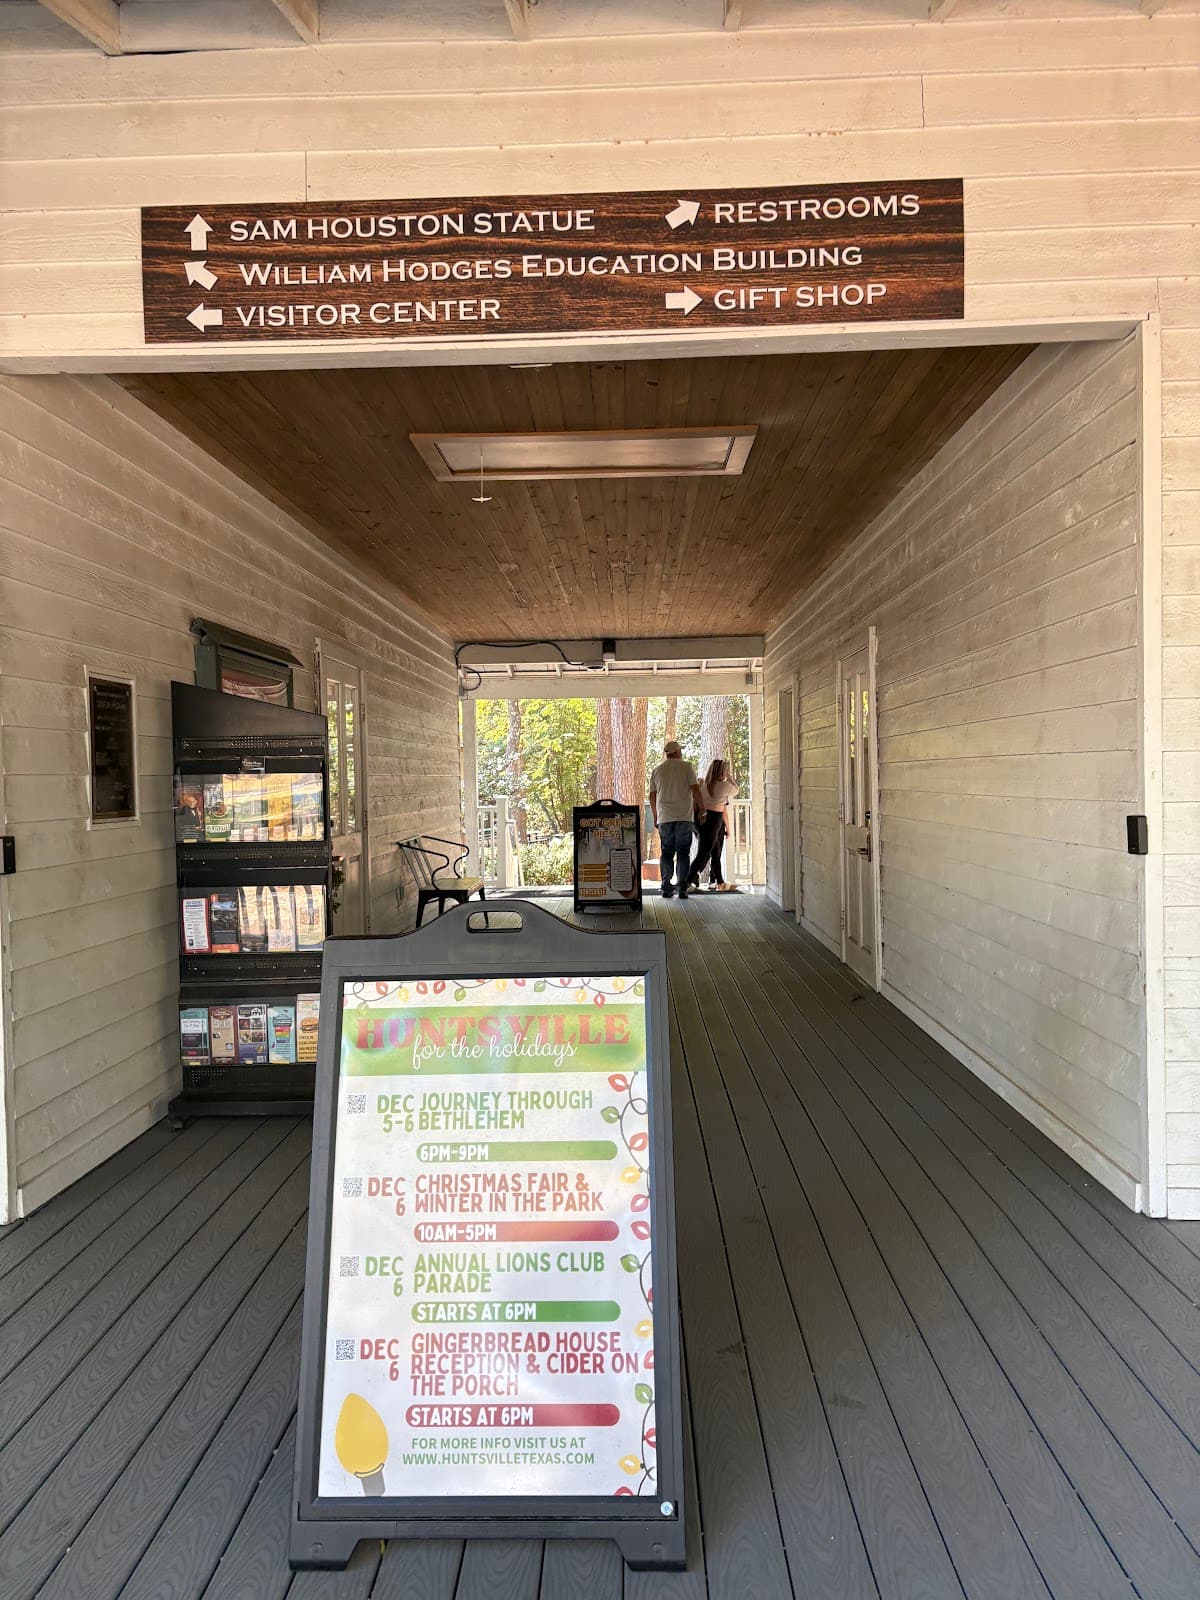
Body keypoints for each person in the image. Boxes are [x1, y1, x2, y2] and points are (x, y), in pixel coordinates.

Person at [649, 739, 704, 900]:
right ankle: (682, 888)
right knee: (683, 853)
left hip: (665, 817)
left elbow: (652, 795)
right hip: (684, 817)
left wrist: (655, 815)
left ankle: (666, 887)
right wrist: (702, 809)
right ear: (678, 752)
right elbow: (695, 789)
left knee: (666, 853)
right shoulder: (686, 767)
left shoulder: (657, 770)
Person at [689, 758, 739, 892]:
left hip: (702, 819)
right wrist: (729, 777)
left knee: (715, 853)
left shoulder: (704, 784)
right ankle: (686, 882)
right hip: (714, 821)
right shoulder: (724, 786)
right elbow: (736, 790)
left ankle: (720, 882)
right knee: (703, 853)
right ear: (722, 772)